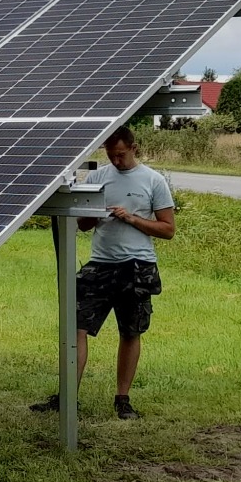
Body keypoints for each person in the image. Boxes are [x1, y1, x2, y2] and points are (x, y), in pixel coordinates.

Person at [32, 125, 175, 421]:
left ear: (133, 148)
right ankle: (68, 396)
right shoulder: (97, 177)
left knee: (130, 331)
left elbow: (168, 229)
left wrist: (132, 218)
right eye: (111, 155)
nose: (116, 161)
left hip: (137, 267)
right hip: (100, 265)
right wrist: (92, 213)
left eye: (120, 155)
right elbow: (83, 225)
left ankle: (123, 399)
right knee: (76, 327)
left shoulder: (153, 180)